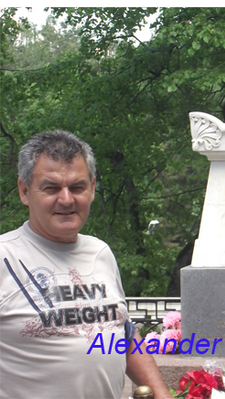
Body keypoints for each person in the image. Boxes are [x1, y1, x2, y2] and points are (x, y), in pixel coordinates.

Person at [0, 130, 171, 399]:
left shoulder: (100, 252)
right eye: (51, 187)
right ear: (24, 191)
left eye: (77, 187)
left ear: (92, 188)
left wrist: (163, 395)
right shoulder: (4, 256)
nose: (66, 199)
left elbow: (124, 334)